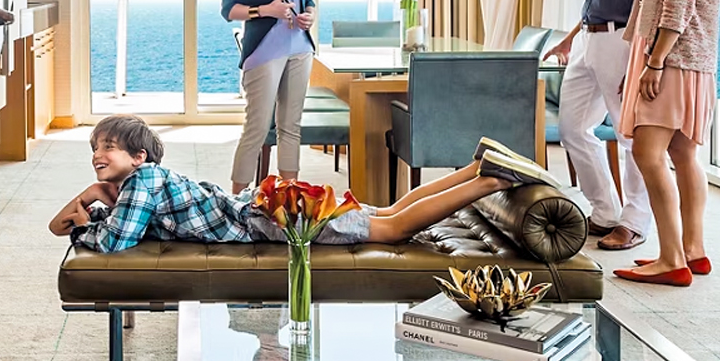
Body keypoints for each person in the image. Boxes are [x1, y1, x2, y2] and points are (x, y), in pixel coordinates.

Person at [47, 115, 557, 252]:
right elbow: (126, 227)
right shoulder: (149, 182)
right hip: (267, 205)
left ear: (136, 157)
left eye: (106, 148)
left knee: (393, 229)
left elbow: (115, 242)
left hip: (271, 219)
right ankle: (474, 168)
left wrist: (88, 214)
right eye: (94, 148)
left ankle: (490, 179)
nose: (97, 155)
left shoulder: (140, 183)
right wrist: (93, 205)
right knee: (387, 211)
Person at [612, 0, 720, 287]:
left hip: (674, 58)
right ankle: (692, 250)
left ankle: (671, 257)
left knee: (647, 152)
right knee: (682, 152)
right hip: (685, 57)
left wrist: (655, 60)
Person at [544, 0, 661, 253]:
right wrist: (570, 37)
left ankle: (634, 222)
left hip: (623, 40)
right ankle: (604, 211)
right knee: (573, 128)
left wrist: (644, 57)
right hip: (587, 40)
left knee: (629, 136)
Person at [221, 0, 317, 194]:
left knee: (291, 127)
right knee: (258, 128)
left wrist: (309, 15)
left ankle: (289, 197)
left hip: (300, 48)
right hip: (264, 51)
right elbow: (229, 9)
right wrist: (265, 10)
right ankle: (236, 200)